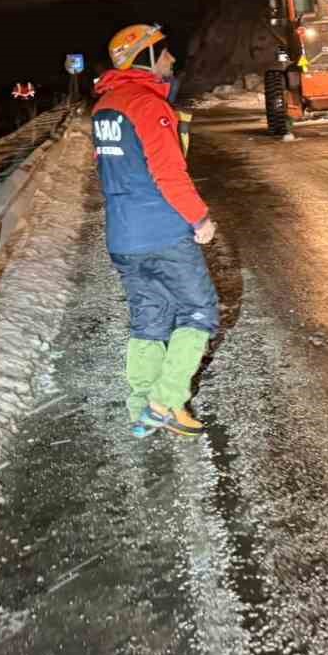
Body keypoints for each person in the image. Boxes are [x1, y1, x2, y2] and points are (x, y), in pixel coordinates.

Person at [92, 23, 219, 439]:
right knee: (198, 312)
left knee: (149, 320)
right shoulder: (148, 106)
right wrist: (199, 218)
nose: (171, 59)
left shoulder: (105, 106)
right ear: (144, 57)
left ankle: (141, 408)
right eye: (164, 52)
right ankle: (164, 402)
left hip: (123, 236)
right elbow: (168, 174)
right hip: (162, 233)